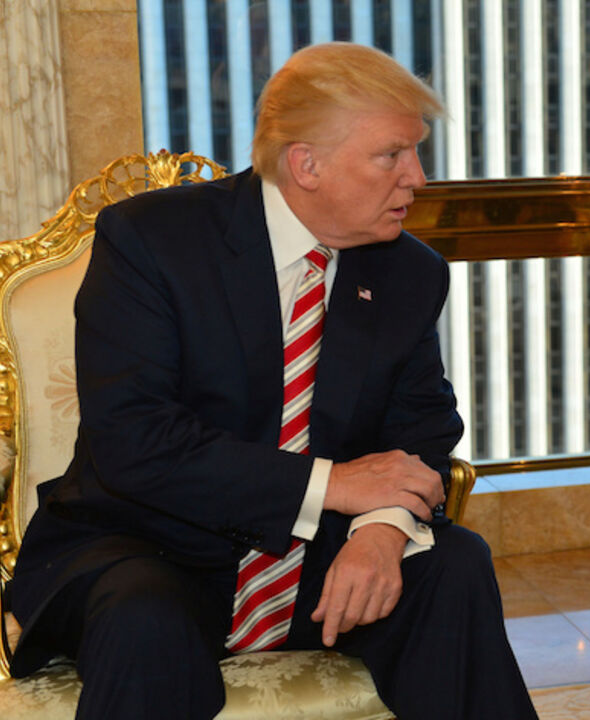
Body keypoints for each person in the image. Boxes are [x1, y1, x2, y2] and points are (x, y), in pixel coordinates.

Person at [8, 42, 538, 720]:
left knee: (454, 564)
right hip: (149, 543)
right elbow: (135, 440)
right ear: (305, 164)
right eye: (392, 155)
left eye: (416, 150)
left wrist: (379, 529)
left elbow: (424, 431)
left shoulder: (409, 271)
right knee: (145, 621)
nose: (418, 177)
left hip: (317, 557)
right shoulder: (153, 241)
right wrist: (334, 484)